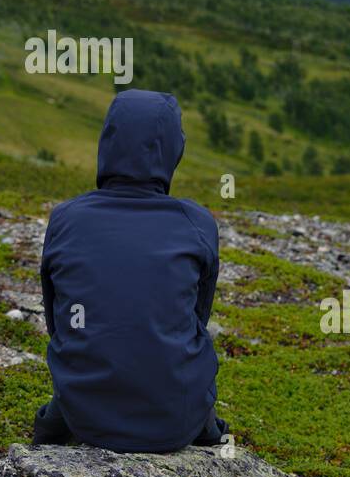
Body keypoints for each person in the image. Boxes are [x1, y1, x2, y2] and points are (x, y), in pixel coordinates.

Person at [34, 89, 228, 452]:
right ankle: (207, 427)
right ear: (174, 149)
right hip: (175, 422)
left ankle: (56, 420)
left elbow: (58, 321)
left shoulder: (65, 218)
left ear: (108, 141)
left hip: (84, 417)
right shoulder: (198, 223)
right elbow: (196, 319)